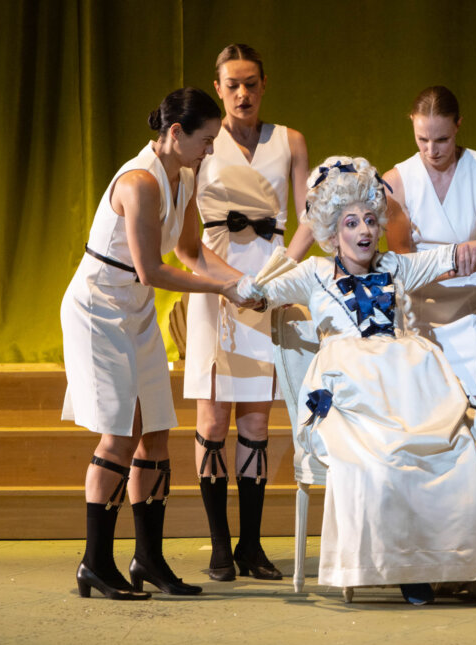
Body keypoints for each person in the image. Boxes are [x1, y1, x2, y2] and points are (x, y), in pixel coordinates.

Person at [246, 156, 476, 604]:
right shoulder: (314, 274)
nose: (363, 230)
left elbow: (460, 254)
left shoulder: (397, 267)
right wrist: (243, 289)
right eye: (350, 223)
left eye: (369, 220)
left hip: (411, 387)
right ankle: (407, 570)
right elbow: (260, 295)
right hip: (352, 394)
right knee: (378, 463)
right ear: (332, 233)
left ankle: (470, 563)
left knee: (475, 452)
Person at [61, 87, 261, 600]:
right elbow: (151, 269)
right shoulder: (140, 181)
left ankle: (148, 558)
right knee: (120, 436)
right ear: (175, 133)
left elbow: (192, 251)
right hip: (99, 308)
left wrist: (243, 282)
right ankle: (94, 562)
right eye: (205, 140)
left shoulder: (184, 176)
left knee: (155, 432)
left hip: (136, 309)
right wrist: (223, 289)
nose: (210, 149)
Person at [183, 44, 313, 582]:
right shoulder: (204, 142)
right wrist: (230, 283)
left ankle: (251, 544)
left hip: (270, 283)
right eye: (233, 85)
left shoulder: (290, 141)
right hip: (216, 283)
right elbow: (184, 236)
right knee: (213, 418)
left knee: (257, 419)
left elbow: (311, 217)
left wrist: (280, 274)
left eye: (251, 83)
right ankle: (219, 544)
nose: (243, 94)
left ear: (264, 84)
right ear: (218, 88)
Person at [383, 85, 476, 405]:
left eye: (441, 139)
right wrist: (450, 268)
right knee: (425, 408)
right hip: (420, 306)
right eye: (422, 139)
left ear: (458, 125)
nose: (431, 150)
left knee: (472, 406)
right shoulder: (396, 181)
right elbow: (402, 264)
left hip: (470, 306)